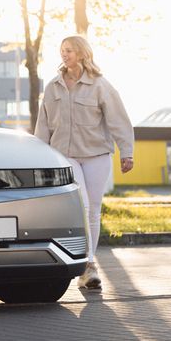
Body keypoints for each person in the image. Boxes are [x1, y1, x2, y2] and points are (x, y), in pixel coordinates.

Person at [34, 35, 134, 290]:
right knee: (83, 206)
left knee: (93, 209)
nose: (64, 55)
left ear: (81, 53)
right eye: (62, 50)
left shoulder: (100, 85)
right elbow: (43, 124)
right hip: (64, 154)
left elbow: (118, 121)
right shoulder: (53, 86)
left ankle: (88, 266)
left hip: (96, 155)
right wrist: (38, 156)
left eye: (69, 50)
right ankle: (87, 264)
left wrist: (127, 152)